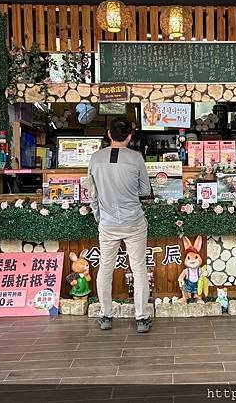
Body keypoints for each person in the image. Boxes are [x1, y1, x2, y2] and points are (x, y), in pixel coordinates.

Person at [88, 116, 152, 333]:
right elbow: (145, 190)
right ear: (130, 136)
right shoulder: (136, 158)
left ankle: (106, 315)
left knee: (105, 268)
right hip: (134, 221)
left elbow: (92, 194)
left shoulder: (95, 158)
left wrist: (99, 217)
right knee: (139, 267)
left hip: (107, 223)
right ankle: (142, 318)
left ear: (109, 135)